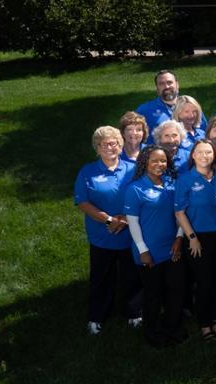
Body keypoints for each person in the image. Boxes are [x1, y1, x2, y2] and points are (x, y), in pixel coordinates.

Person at [76, 126, 141, 335]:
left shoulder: (132, 169)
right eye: (104, 144)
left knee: (131, 277)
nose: (110, 147)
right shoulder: (88, 171)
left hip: (129, 234)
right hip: (101, 236)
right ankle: (97, 316)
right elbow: (82, 202)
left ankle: (133, 313)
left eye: (114, 143)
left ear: (121, 146)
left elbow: (139, 197)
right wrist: (108, 220)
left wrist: (122, 219)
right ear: (97, 148)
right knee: (101, 278)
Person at [124, 145, 185, 347]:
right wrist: (143, 251)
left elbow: (180, 215)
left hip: (172, 248)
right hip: (149, 252)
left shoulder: (171, 183)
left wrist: (178, 238)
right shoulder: (135, 189)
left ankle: (173, 328)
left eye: (163, 161)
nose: (159, 165)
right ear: (145, 163)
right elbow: (132, 223)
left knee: (174, 292)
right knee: (153, 295)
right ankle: (153, 333)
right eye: (154, 161)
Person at [174, 140, 216, 341]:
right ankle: (204, 323)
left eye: (209, 152)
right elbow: (179, 212)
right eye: (200, 152)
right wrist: (192, 238)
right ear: (193, 155)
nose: (205, 156)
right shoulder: (185, 180)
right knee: (204, 281)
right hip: (198, 237)